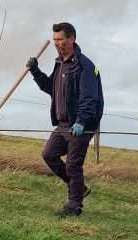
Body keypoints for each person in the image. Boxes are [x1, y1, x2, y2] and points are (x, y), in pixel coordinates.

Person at [27, 22, 104, 218]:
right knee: (49, 155)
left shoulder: (85, 66)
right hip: (62, 124)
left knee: (73, 165)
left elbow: (89, 98)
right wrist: (35, 71)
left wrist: (81, 121)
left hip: (81, 125)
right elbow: (50, 88)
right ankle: (79, 187)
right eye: (54, 39)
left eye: (60, 39)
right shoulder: (60, 64)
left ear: (71, 39)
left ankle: (74, 206)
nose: (56, 43)